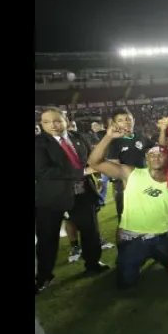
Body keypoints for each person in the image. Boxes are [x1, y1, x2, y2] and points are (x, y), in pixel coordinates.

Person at [88, 128, 168, 289]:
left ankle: (154, 256)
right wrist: (108, 136)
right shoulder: (131, 173)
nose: (155, 157)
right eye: (151, 154)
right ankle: (130, 258)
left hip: (162, 239)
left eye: (160, 154)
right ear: (146, 158)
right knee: (126, 284)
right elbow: (94, 163)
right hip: (133, 240)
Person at [35, 107, 108, 294]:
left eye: (57, 120)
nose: (53, 125)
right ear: (41, 124)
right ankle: (43, 276)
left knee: (90, 232)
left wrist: (98, 173)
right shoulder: (38, 143)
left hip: (82, 194)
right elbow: (43, 172)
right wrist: (81, 172)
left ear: (66, 120)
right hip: (51, 199)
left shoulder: (78, 136)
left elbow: (90, 160)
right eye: (47, 122)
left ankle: (92, 263)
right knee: (47, 239)